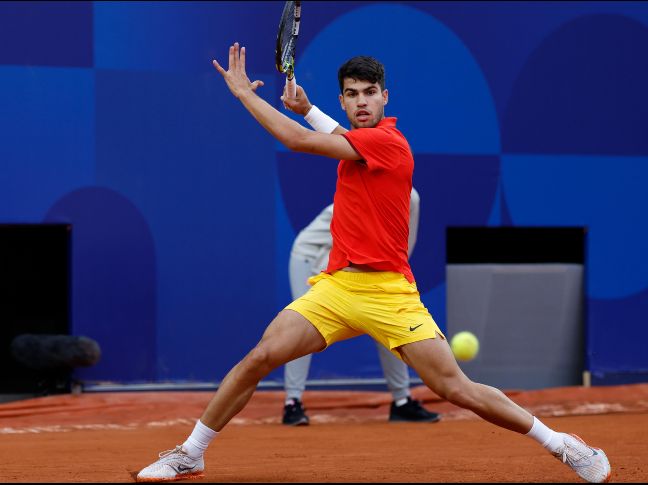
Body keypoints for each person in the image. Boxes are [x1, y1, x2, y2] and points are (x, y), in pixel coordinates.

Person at [136, 45, 611, 483]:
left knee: (455, 388)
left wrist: (243, 93)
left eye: (369, 93)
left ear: (385, 97)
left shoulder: (390, 143)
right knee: (260, 357)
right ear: (343, 101)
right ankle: (192, 452)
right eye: (351, 95)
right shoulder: (356, 141)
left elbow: (297, 142)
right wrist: (308, 109)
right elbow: (334, 135)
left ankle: (563, 445)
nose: (361, 101)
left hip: (390, 294)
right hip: (338, 288)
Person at [282, 186, 440, 425]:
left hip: (365, 264)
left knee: (391, 325)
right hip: (314, 255)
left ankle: (402, 401)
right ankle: (292, 402)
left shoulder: (411, 198)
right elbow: (349, 246)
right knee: (302, 327)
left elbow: (403, 248)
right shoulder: (363, 192)